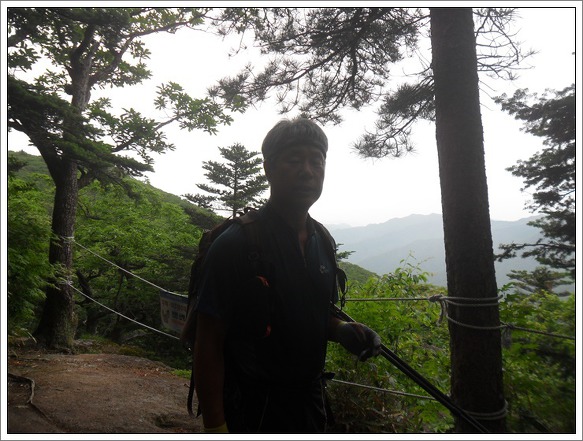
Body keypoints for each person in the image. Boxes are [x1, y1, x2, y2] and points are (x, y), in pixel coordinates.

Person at [192, 117, 381, 434]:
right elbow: (208, 339)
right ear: (268, 168)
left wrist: (342, 330)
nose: (307, 170)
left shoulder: (322, 241)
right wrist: (215, 425)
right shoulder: (237, 244)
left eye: (316, 161)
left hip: (309, 403)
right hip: (251, 408)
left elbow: (310, 312)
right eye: (294, 160)